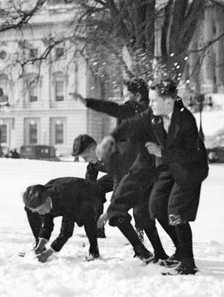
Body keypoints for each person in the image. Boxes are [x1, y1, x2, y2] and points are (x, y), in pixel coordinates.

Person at [97, 78, 209, 275]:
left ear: (168, 101)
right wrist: (111, 138)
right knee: (156, 208)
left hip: (187, 171)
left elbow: (191, 154)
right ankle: (177, 253)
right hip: (162, 168)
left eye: (154, 100)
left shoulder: (185, 120)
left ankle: (187, 262)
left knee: (175, 213)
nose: (150, 105)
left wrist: (160, 153)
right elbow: (132, 126)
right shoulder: (153, 114)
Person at [71, 80, 169, 262]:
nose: (123, 100)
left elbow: (115, 109)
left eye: (125, 95)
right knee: (122, 206)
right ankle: (153, 251)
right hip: (130, 170)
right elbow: (92, 187)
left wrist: (110, 209)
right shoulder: (96, 163)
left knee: (132, 213)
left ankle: (150, 250)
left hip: (140, 171)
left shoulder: (137, 111)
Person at [22, 177, 103, 262]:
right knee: (30, 210)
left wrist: (47, 254)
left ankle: (94, 250)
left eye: (41, 210)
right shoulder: (42, 197)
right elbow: (47, 224)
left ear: (48, 200)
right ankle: (38, 246)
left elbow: (66, 232)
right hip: (63, 194)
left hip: (88, 193)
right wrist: (41, 243)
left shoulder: (66, 201)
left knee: (87, 216)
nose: (40, 214)